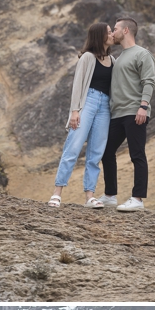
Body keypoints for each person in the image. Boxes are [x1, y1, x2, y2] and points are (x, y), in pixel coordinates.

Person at [48, 23, 113, 209]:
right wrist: (75, 111)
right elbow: (77, 85)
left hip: (104, 107)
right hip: (88, 102)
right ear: (100, 36)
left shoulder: (113, 61)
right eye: (108, 32)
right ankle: (57, 193)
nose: (111, 34)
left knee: (96, 153)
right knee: (73, 147)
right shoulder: (87, 57)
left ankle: (89, 196)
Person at [99, 16, 155, 212]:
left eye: (115, 29)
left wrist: (143, 106)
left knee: (137, 154)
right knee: (106, 151)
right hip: (118, 113)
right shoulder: (120, 57)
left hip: (135, 111)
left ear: (125, 31)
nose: (112, 32)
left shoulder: (142, 54)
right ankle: (109, 195)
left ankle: (137, 199)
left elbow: (149, 81)